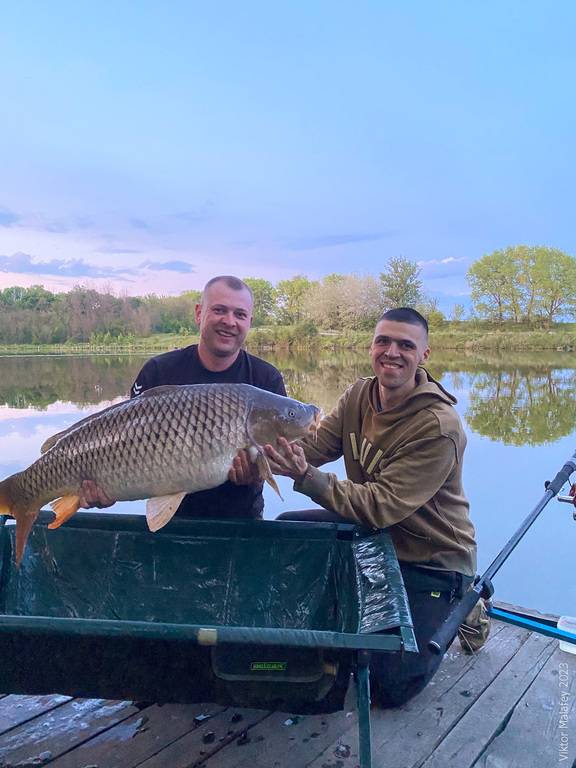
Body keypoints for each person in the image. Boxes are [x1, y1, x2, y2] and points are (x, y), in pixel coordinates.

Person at [261, 307, 478, 708]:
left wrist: (305, 476)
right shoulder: (360, 394)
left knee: (388, 686)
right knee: (289, 528)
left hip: (429, 558)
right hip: (373, 535)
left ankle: (466, 608)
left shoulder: (437, 427)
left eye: (405, 345)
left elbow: (378, 505)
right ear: (371, 346)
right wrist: (262, 452)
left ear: (424, 356)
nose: (392, 352)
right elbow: (316, 447)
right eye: (383, 341)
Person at [80, 275, 286, 520]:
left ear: (249, 321)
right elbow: (121, 444)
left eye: (240, 314)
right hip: (171, 523)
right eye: (219, 310)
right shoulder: (158, 371)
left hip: (242, 523)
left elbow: (277, 458)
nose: (230, 321)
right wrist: (102, 491)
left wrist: (258, 473)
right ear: (199, 313)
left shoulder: (266, 380)